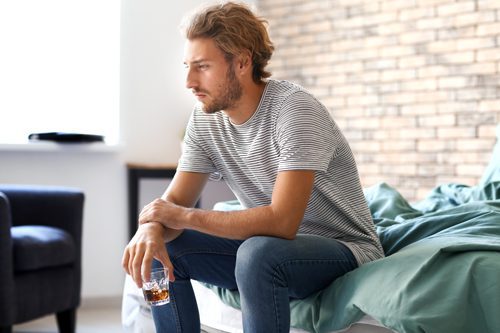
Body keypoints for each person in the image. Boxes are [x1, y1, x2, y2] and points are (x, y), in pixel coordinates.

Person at [122, 2, 384, 332]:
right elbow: (172, 203)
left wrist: (183, 217)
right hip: (269, 251)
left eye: (202, 66)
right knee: (162, 252)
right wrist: (150, 229)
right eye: (187, 66)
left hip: (341, 249)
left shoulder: (295, 110)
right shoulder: (205, 121)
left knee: (258, 254)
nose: (189, 81)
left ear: (243, 62)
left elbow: (283, 222)